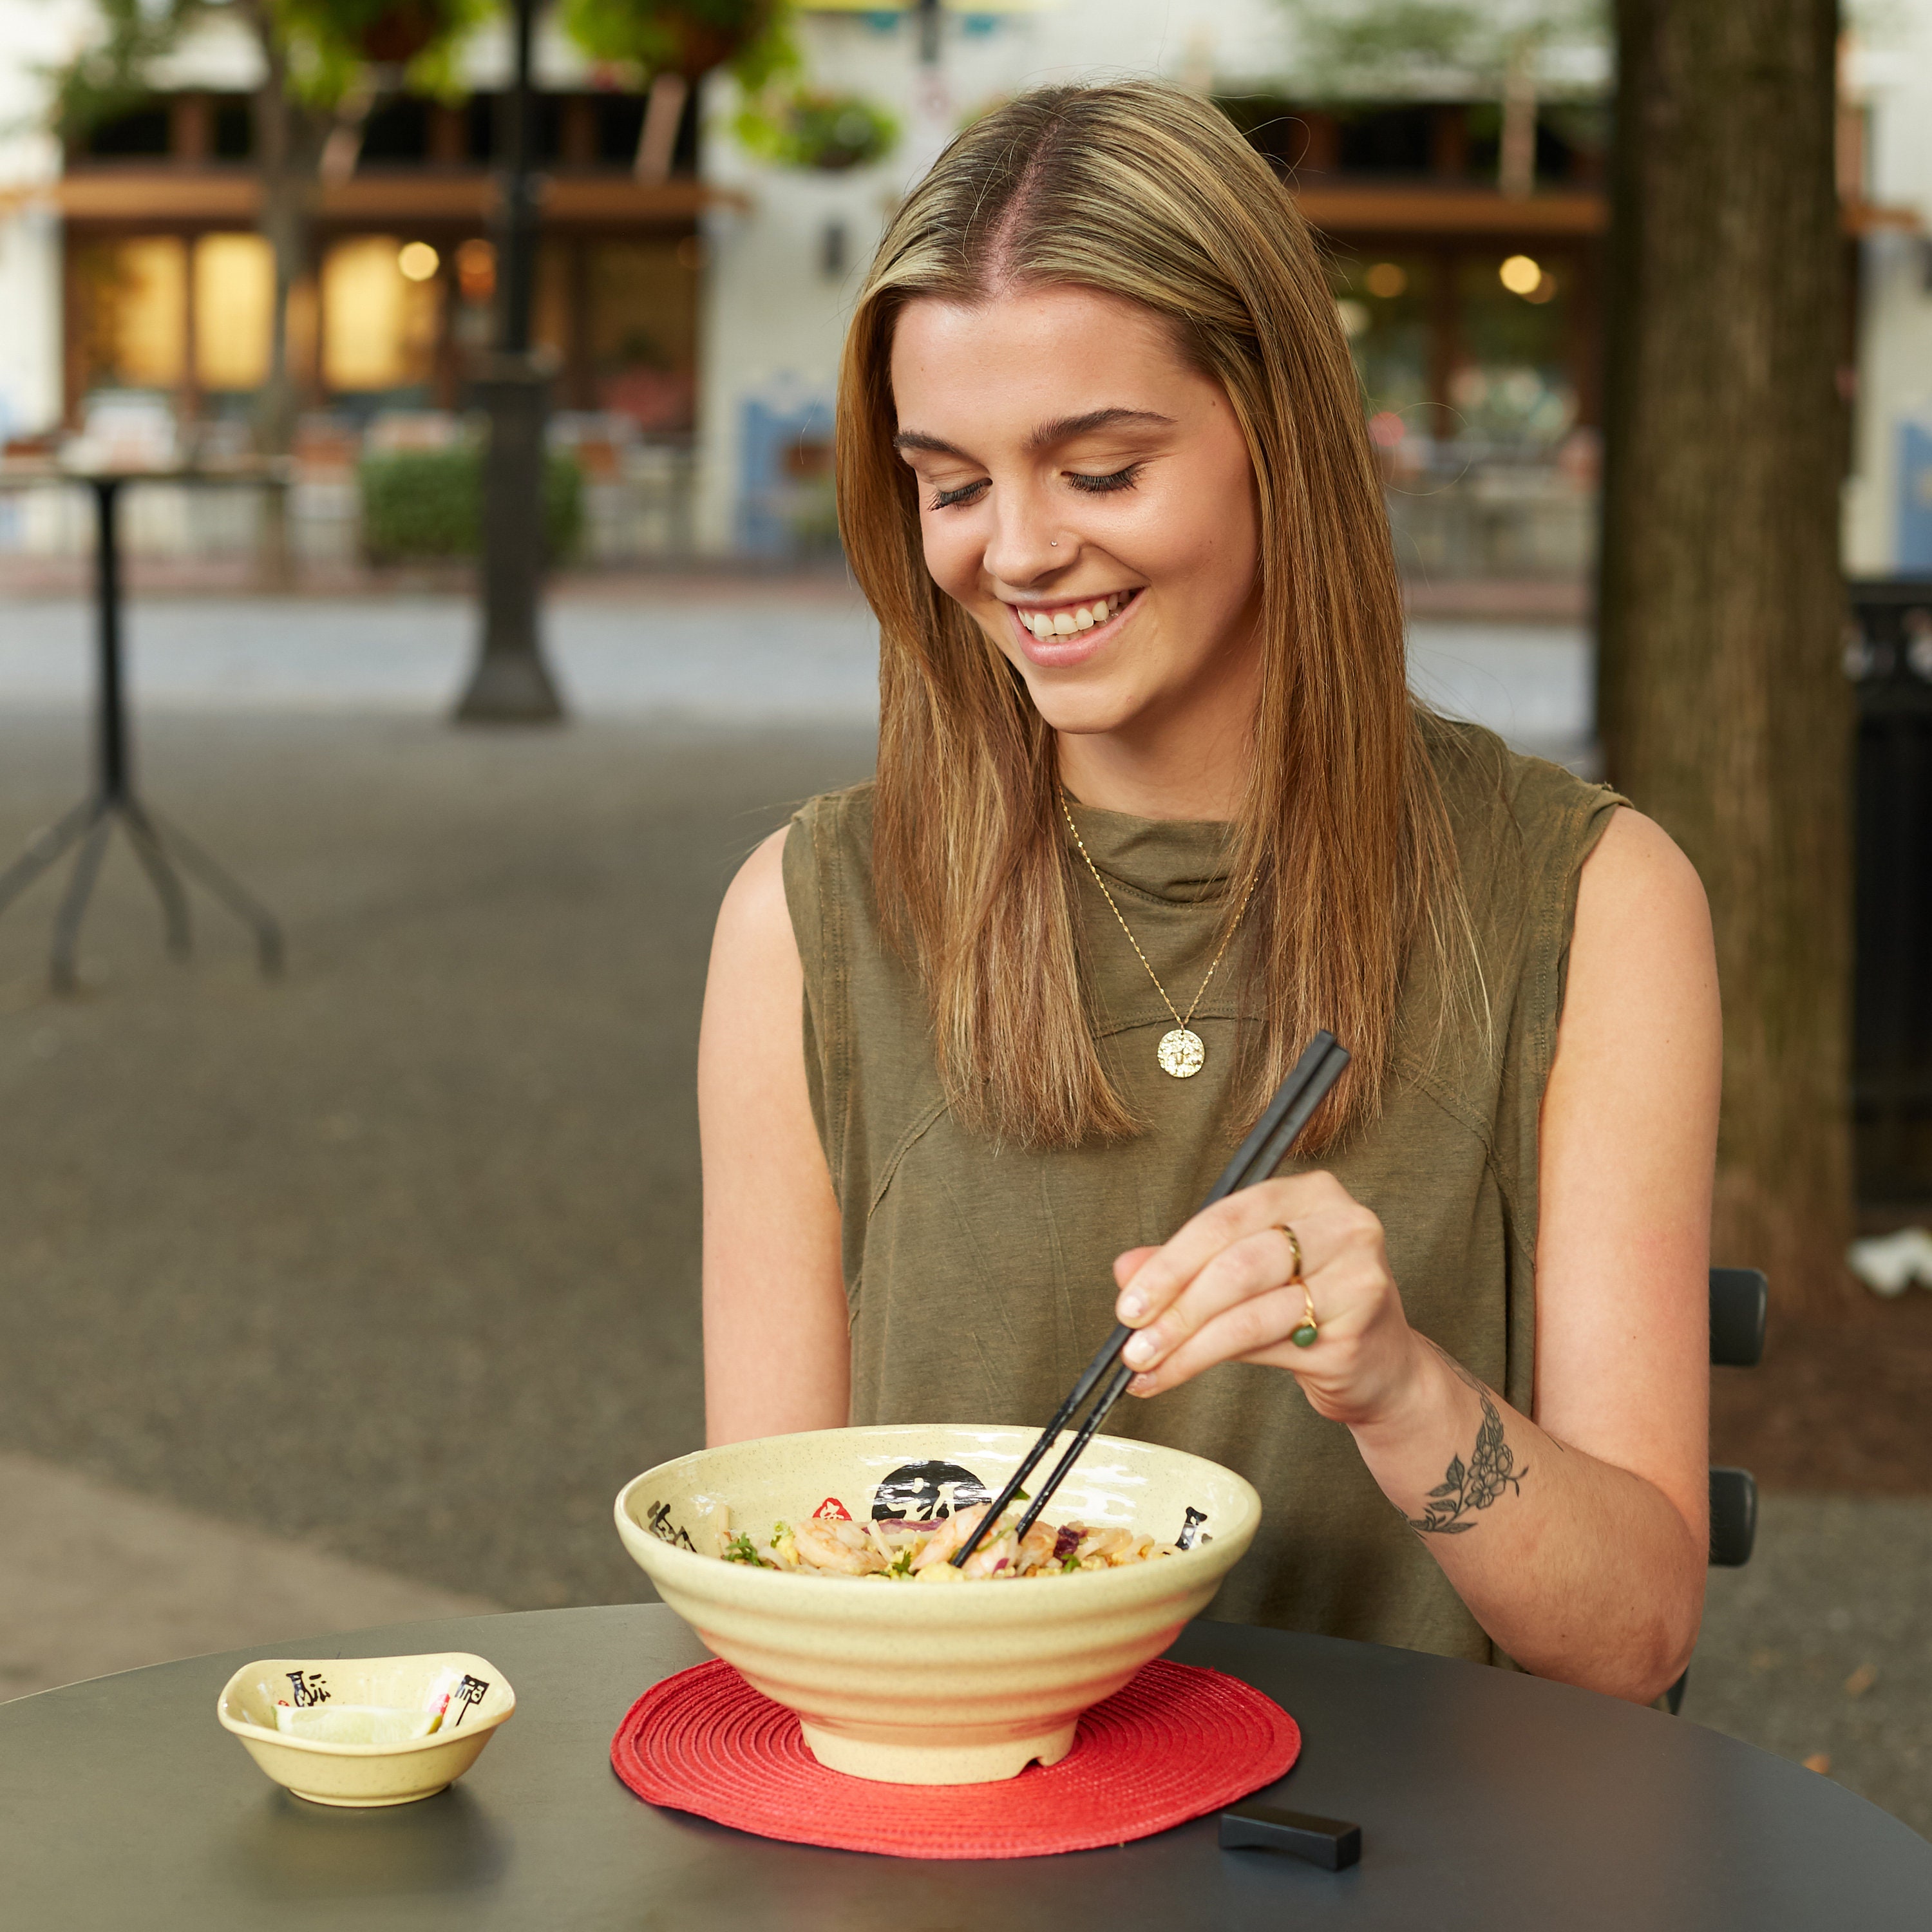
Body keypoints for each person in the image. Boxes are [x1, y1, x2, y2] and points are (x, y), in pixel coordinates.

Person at [699, 81, 1718, 1705]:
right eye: (950, 485)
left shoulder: (1590, 901)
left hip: (1418, 1829)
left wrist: (1399, 1388)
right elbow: (765, 1586)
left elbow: (1635, 1633)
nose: (1015, 553)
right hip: (966, 1817)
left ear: (1280, 442)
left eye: (1100, 471)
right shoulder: (806, 923)